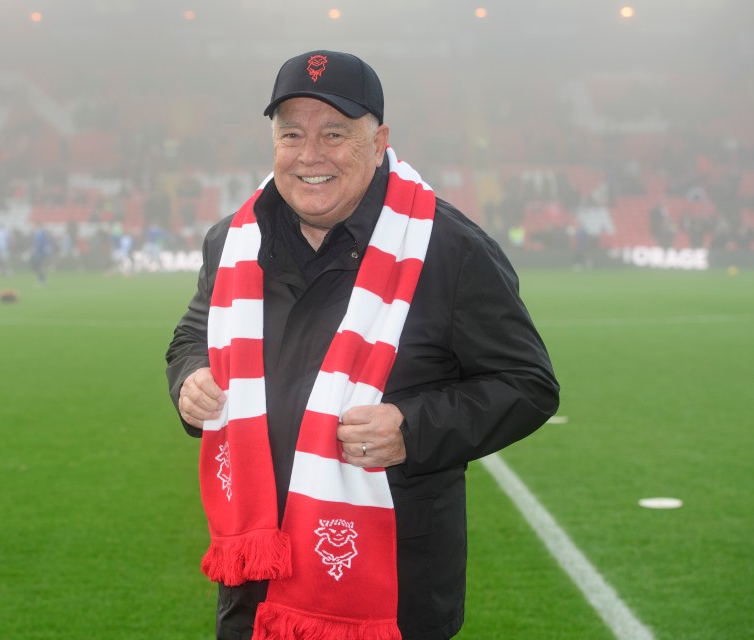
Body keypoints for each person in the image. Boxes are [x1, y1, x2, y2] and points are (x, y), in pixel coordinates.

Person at [165, 50, 559, 640]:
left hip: (390, 593)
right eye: (291, 133)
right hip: (254, 580)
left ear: (379, 143)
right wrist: (190, 378)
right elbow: (191, 336)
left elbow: (528, 385)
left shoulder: (449, 249)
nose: (310, 155)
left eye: (335, 134)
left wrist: (413, 428)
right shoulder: (232, 240)